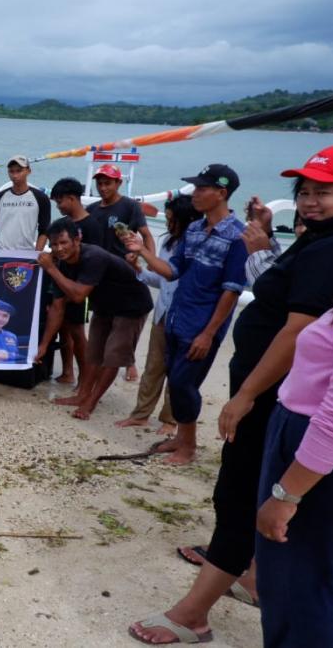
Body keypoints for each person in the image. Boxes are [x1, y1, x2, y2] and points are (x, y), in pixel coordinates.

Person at [129, 148, 333, 645]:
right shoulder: (317, 242)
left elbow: (297, 327)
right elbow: (274, 291)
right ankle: (255, 579)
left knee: (240, 498)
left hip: (278, 401)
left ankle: (192, 613)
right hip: (279, 397)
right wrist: (266, 242)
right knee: (256, 500)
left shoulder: (331, 250)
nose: (310, 202)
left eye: (324, 193)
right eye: (304, 193)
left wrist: (244, 394)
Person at [124, 164, 246, 465]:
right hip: (177, 317)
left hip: (202, 326)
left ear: (221, 193)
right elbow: (172, 271)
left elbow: (231, 291)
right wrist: (143, 251)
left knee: (182, 384)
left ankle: (188, 447)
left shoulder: (237, 236)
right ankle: (180, 438)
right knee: (175, 381)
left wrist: (208, 333)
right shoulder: (193, 229)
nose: (195, 193)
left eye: (203, 188)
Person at [254, 305, 333, 647]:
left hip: (313, 452)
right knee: (304, 579)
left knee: (301, 585)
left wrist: (286, 496)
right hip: (306, 439)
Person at [35, 218, 152, 420]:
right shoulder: (61, 263)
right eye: (54, 244)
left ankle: (91, 402)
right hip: (104, 306)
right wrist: (44, 345)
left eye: (63, 243)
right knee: (93, 353)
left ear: (77, 240)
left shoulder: (93, 256)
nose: (59, 248)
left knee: (113, 357)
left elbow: (78, 295)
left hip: (131, 306)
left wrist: (51, 270)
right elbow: (57, 307)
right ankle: (82, 395)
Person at [115, 195, 200, 433]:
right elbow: (163, 280)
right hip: (163, 313)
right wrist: (137, 269)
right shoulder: (168, 243)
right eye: (168, 219)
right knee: (153, 366)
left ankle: (170, 420)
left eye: (172, 220)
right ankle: (141, 414)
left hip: (185, 317)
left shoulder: (196, 247)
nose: (168, 225)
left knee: (178, 371)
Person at [85, 163, 154, 382]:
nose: (103, 187)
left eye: (108, 183)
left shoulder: (130, 206)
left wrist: (150, 261)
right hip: (101, 277)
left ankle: (128, 363)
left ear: (118, 183)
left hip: (125, 274)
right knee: (104, 324)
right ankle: (99, 373)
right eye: (100, 183)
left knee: (126, 323)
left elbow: (146, 234)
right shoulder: (93, 210)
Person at [48, 177, 103, 385]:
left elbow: (96, 260)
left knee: (77, 332)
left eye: (59, 202)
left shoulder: (91, 225)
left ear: (72, 198)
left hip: (80, 287)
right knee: (64, 328)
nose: (58, 206)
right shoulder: (66, 225)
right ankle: (68, 372)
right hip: (64, 283)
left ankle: (86, 378)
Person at [0, 155, 50, 251]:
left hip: (26, 254)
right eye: (11, 171)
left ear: (28, 171)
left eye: (19, 171)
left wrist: (36, 254)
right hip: (1, 253)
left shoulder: (40, 198)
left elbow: (44, 230)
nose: (15, 175)